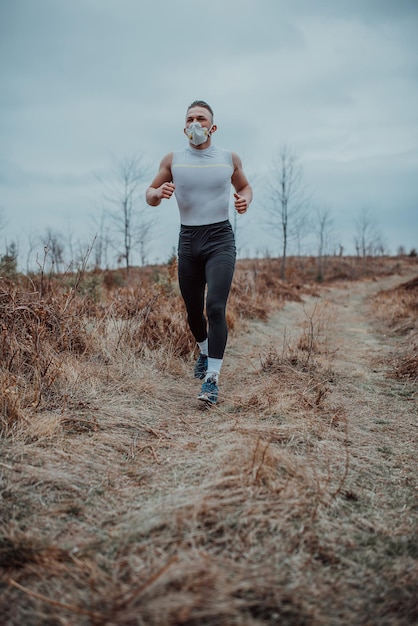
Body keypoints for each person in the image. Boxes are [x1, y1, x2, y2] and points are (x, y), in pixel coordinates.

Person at [146, 100, 253, 404]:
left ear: (212, 126)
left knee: (215, 306)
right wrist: (159, 193)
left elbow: (245, 187)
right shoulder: (173, 159)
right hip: (188, 240)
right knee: (194, 310)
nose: (196, 123)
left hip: (220, 238)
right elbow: (149, 194)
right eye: (190, 118)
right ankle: (204, 352)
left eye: (201, 119)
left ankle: (212, 380)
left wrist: (245, 201)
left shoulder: (228, 158)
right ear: (184, 127)